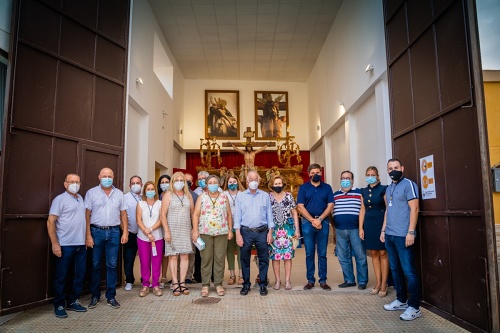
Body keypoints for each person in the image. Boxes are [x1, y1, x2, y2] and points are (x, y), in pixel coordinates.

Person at [381, 158, 421, 321]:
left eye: (396, 167)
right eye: (390, 168)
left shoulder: (409, 185)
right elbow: (387, 211)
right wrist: (383, 230)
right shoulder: (389, 188)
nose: (393, 170)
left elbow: (415, 208)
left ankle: (414, 307)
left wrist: (411, 232)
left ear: (402, 168)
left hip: (404, 235)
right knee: (395, 269)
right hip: (390, 235)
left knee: (408, 271)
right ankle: (401, 300)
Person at [85, 167, 128, 309]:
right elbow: (87, 215)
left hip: (114, 232)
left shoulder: (119, 194)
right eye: (104, 176)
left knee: (112, 265)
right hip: (96, 231)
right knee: (96, 265)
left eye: (110, 176)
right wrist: (88, 235)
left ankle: (111, 296)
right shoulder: (91, 193)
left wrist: (125, 232)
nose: (107, 178)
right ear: (99, 177)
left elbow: (123, 215)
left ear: (113, 177)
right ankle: (95, 296)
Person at [47, 173, 87, 318]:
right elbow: (51, 222)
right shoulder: (60, 199)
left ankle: (73, 301)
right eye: (71, 181)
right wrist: (55, 243)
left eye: (77, 181)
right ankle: (59, 304)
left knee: (79, 275)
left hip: (80, 245)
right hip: (65, 244)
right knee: (62, 276)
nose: (74, 184)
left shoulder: (80, 198)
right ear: (65, 184)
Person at [234, 171, 274, 296]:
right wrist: (238, 234)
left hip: (262, 231)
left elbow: (269, 215)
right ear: (246, 181)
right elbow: (237, 217)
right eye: (251, 179)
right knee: (244, 259)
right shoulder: (240, 196)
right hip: (245, 231)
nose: (253, 181)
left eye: (255, 179)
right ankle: (246, 284)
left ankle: (263, 284)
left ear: (259, 181)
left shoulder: (265, 195)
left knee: (264, 259)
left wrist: (270, 232)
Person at [192, 175, 233, 297]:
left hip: (221, 232)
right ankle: (205, 285)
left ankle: (219, 284)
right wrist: (195, 230)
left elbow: (229, 214)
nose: (213, 184)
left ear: (219, 184)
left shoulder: (224, 197)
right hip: (205, 232)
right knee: (206, 259)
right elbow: (196, 214)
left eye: (215, 182)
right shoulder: (201, 197)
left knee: (220, 258)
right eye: (210, 182)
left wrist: (230, 230)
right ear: (206, 184)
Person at [296, 163, 334, 290]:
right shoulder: (303, 188)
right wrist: (313, 220)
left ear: (321, 173)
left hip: (323, 221)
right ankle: (310, 280)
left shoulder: (327, 187)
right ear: (308, 174)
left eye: (317, 172)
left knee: (322, 253)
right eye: (312, 173)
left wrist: (320, 219)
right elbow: (300, 206)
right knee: (309, 253)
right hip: (308, 223)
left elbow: (330, 205)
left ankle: (323, 280)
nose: (315, 175)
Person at [332, 171, 368, 289]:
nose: (345, 180)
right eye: (343, 178)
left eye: (348, 178)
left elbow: (363, 210)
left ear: (353, 180)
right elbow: (331, 212)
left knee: (360, 255)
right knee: (343, 256)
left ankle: (362, 281)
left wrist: (361, 228)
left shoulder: (360, 193)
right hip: (340, 229)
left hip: (356, 229)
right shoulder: (335, 195)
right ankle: (349, 280)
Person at [161, 172, 194, 296]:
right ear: (172, 182)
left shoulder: (188, 195)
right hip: (172, 230)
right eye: (177, 180)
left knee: (185, 256)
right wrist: (167, 231)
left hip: (185, 229)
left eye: (181, 180)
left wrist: (194, 229)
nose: (179, 182)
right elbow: (163, 215)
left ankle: (182, 282)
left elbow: (192, 213)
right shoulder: (168, 195)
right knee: (173, 256)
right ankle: (175, 282)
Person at [359, 166, 389, 297]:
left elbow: (388, 208)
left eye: (372, 174)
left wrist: (384, 228)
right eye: (368, 174)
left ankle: (384, 283)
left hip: (381, 221)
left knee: (383, 253)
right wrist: (361, 227)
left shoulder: (384, 189)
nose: (370, 176)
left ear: (377, 176)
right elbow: (362, 210)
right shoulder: (363, 191)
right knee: (373, 253)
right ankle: (377, 282)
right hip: (369, 224)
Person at [268, 174, 300, 290]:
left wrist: (297, 229)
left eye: (279, 183)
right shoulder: (268, 197)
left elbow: (294, 213)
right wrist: (269, 232)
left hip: (287, 230)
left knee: (287, 256)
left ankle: (287, 280)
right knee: (275, 256)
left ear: (283, 184)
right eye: (276, 184)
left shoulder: (288, 196)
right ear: (272, 185)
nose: (278, 185)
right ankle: (277, 280)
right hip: (274, 230)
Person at [136, 181, 164, 297]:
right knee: (145, 261)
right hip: (142, 238)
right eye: (148, 189)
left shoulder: (160, 203)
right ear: (145, 191)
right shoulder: (140, 204)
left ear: (155, 191)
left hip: (157, 237)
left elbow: (162, 220)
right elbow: (138, 220)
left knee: (156, 262)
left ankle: (156, 285)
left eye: (152, 189)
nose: (150, 191)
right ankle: (145, 285)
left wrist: (151, 230)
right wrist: (146, 232)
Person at [223, 173, 244, 285]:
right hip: (228, 226)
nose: (232, 184)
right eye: (230, 182)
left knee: (241, 250)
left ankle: (241, 275)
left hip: (241, 226)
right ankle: (232, 275)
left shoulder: (242, 194)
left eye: (234, 182)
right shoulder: (223, 194)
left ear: (237, 182)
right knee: (230, 250)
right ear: (227, 183)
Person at [123, 175, 143, 291]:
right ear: (130, 185)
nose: (136, 185)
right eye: (133, 183)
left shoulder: (145, 197)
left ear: (141, 184)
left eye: (138, 183)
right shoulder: (125, 197)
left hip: (144, 233)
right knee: (129, 258)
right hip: (131, 232)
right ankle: (129, 281)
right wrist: (124, 230)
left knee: (144, 258)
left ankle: (144, 280)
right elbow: (122, 215)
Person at [184, 172, 200, 284]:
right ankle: (179, 276)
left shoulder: (195, 196)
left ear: (192, 182)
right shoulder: (172, 195)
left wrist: (195, 229)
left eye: (189, 180)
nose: (187, 182)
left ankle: (188, 276)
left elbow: (196, 214)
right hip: (178, 227)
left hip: (191, 228)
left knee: (191, 253)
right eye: (185, 180)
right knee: (178, 254)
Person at [157, 174, 170, 288]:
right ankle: (156, 276)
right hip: (157, 227)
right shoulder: (156, 196)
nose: (164, 184)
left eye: (167, 182)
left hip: (169, 227)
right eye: (162, 182)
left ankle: (164, 276)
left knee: (167, 253)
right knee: (158, 253)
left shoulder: (173, 195)